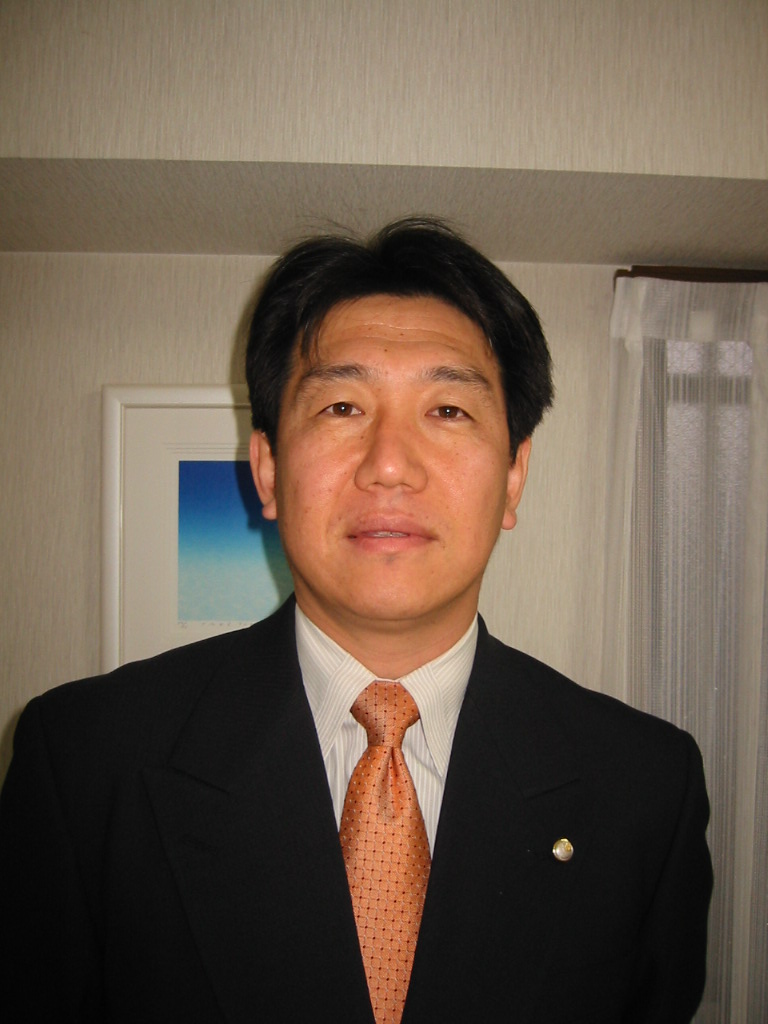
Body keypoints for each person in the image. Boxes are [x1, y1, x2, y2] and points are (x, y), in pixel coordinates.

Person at [0, 217, 712, 1023]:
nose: (390, 465)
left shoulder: (644, 788)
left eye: (448, 410)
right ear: (268, 471)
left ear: (514, 477)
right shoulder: (87, 763)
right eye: (342, 406)